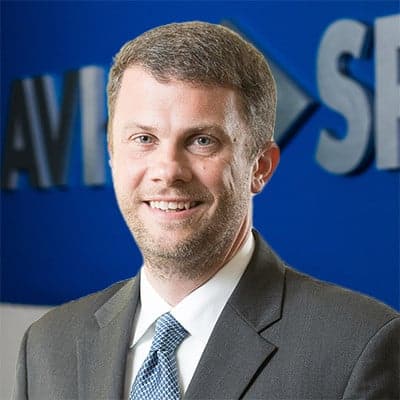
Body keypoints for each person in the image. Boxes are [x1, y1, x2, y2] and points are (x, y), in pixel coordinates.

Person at [14, 21, 399, 400]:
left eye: (201, 141)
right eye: (144, 138)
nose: (168, 171)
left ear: (260, 166)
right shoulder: (47, 346)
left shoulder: (360, 349)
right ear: (113, 155)